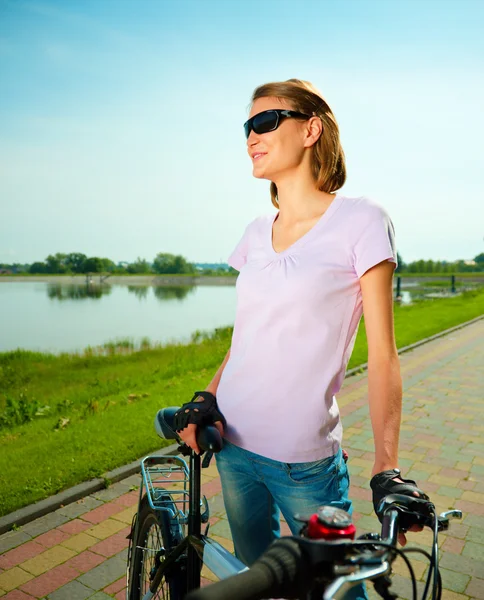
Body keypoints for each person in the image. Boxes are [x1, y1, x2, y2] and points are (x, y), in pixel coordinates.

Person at [174, 78, 428, 599]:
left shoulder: (361, 220)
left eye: (266, 121)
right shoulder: (253, 232)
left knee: (339, 591)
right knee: (257, 581)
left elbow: (382, 355)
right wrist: (208, 396)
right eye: (247, 126)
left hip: (303, 462)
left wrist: (386, 467)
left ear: (311, 129)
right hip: (233, 447)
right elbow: (246, 338)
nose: (251, 135)